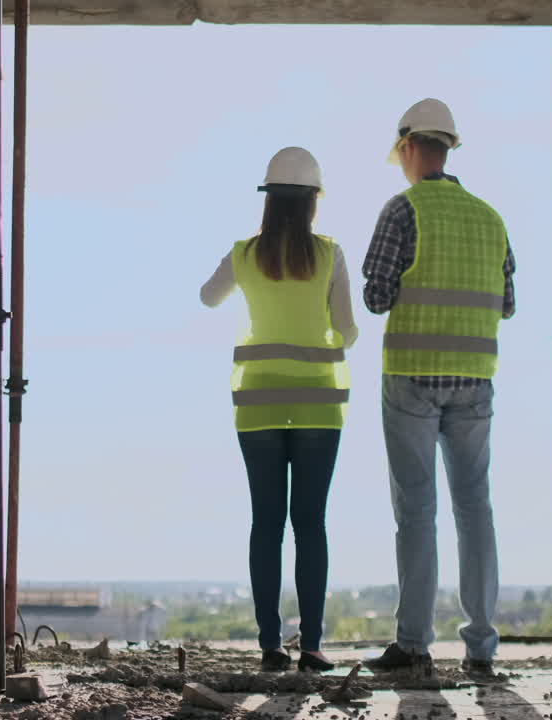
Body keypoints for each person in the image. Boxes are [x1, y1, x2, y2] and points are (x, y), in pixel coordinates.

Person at [360, 99, 516, 678]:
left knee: (417, 511)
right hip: (475, 381)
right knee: (475, 509)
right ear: (448, 148)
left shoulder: (402, 210)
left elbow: (376, 297)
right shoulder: (490, 217)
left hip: (412, 380)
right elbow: (508, 303)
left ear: (407, 147)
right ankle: (480, 648)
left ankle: (414, 645)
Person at [200, 147, 358, 673]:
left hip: (258, 403)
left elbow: (207, 297)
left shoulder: (245, 253)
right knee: (310, 522)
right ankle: (311, 645)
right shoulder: (331, 254)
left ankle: (270, 645)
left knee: (266, 522)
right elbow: (349, 330)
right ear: (313, 201)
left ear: (268, 201)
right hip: (318, 404)